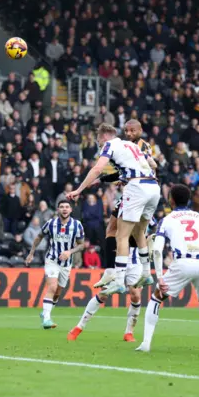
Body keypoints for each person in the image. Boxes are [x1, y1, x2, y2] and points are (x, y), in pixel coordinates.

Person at [135, 184, 199, 354]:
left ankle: (146, 344)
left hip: (182, 262)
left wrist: (160, 278)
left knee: (156, 298)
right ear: (189, 199)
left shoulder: (168, 219)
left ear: (171, 199)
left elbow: (157, 250)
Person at [67, 122, 159, 293]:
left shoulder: (109, 145)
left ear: (103, 137)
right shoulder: (131, 145)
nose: (100, 146)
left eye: (98, 142)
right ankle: (146, 272)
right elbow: (153, 165)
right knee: (139, 231)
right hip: (153, 187)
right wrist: (112, 177)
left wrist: (79, 189)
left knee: (121, 236)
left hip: (136, 188)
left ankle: (118, 279)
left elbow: (97, 168)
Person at [68, 197, 148, 342]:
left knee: (136, 295)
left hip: (135, 261)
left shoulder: (146, 205)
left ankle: (129, 332)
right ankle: (79, 327)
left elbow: (143, 234)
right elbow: (111, 230)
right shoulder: (122, 203)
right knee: (104, 294)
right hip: (119, 257)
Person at [25, 200, 85, 329]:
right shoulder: (51, 223)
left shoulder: (77, 225)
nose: (64, 209)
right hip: (52, 260)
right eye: (62, 207)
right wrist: (31, 253)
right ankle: (46, 319)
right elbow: (39, 236)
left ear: (70, 210)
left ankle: (45, 312)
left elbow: (81, 245)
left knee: (57, 292)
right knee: (52, 287)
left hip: (66, 263)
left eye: (67, 207)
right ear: (58, 210)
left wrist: (70, 251)